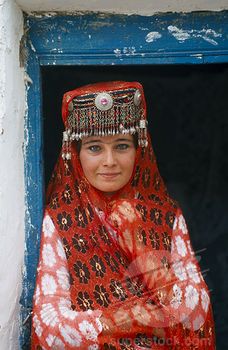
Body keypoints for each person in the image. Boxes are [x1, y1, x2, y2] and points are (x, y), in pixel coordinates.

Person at [31, 81, 215, 349]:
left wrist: (140, 248)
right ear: (75, 153)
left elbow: (197, 311)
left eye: (121, 146)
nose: (109, 161)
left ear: (138, 149)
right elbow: (48, 325)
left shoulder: (165, 215)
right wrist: (127, 319)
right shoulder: (60, 220)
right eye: (94, 147)